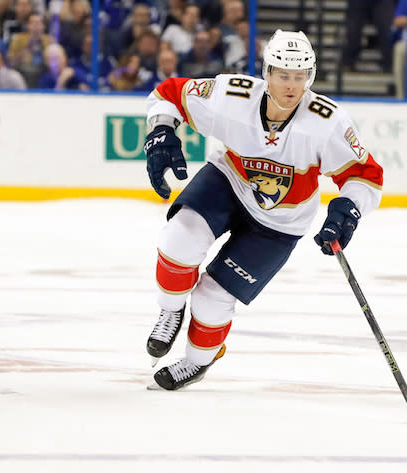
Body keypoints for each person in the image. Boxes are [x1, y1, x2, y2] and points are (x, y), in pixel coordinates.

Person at [142, 29, 383, 390]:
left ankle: (197, 361)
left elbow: (366, 174)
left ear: (310, 77)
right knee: (179, 240)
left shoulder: (327, 121)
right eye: (283, 75)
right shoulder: (232, 95)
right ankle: (171, 308)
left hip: (281, 221)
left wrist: (348, 208)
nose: (291, 85)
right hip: (228, 182)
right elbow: (169, 94)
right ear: (267, 73)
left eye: (299, 77)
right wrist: (160, 131)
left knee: (212, 299)